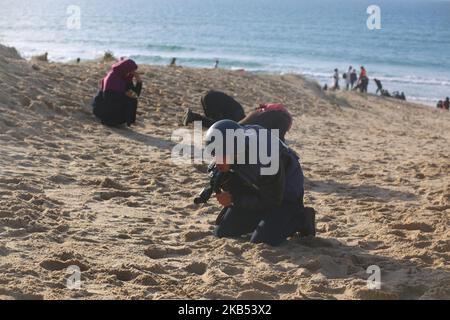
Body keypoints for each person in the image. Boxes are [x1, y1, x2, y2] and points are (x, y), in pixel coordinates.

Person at [204, 120, 316, 246]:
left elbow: (272, 200)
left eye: (221, 154)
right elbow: (236, 182)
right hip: (259, 190)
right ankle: (266, 220)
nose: (217, 160)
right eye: (214, 153)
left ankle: (301, 218)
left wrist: (234, 199)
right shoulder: (235, 146)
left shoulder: (266, 159)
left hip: (285, 195)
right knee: (223, 231)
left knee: (263, 241)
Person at [182, 91, 293, 141]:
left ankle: (194, 117)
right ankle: (194, 117)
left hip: (257, 112)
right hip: (251, 113)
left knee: (228, 127)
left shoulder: (280, 116)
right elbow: (279, 140)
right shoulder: (283, 120)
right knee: (232, 128)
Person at [92, 59, 142, 127]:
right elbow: (108, 97)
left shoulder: (126, 78)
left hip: (114, 102)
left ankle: (122, 121)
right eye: (130, 70)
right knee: (128, 99)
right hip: (103, 106)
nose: (132, 73)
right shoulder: (112, 77)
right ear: (125, 69)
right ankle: (111, 121)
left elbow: (136, 94)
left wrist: (139, 80)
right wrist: (124, 94)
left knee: (132, 99)